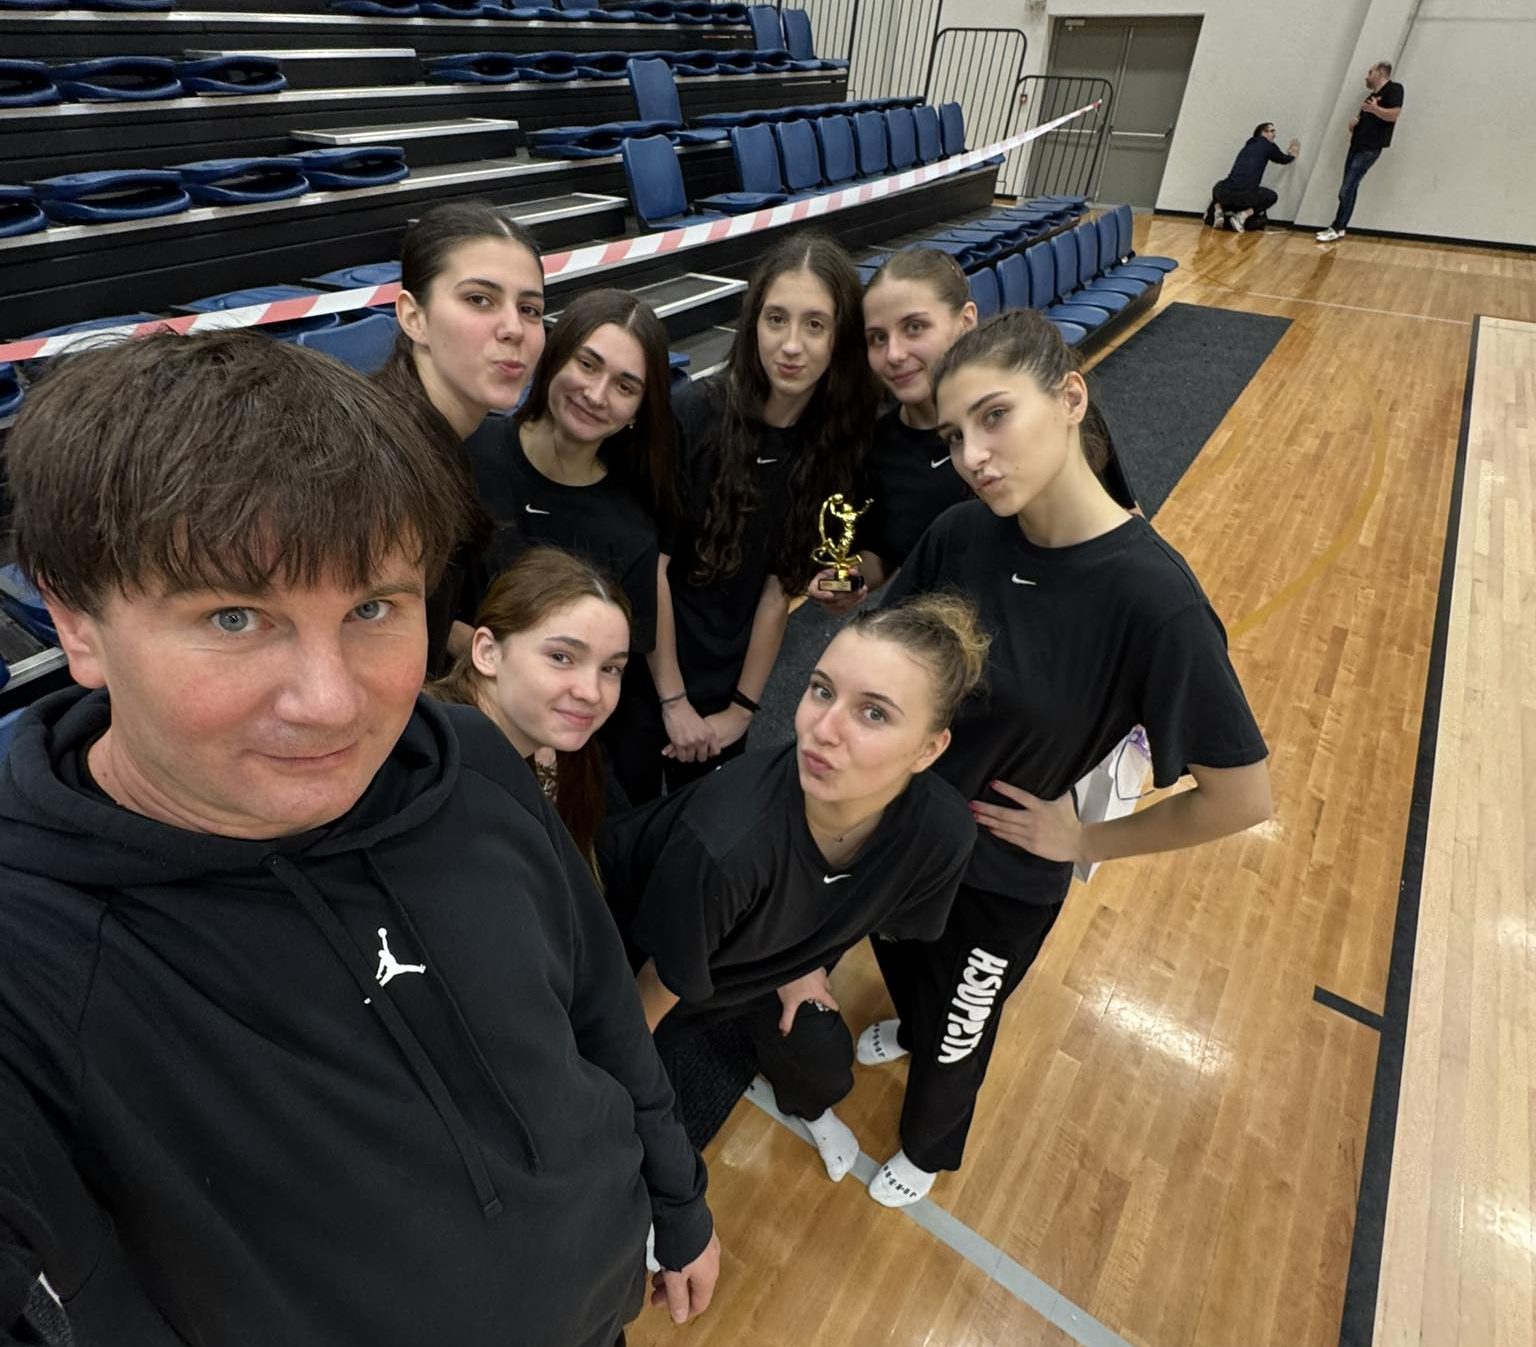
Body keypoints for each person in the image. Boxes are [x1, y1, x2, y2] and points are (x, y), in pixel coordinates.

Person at [0, 331, 719, 1347]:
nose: (333, 703)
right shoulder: (27, 967)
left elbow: (599, 1006)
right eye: (236, 617)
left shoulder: (470, 759)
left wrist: (678, 1201)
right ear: (76, 622)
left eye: (374, 606)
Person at [861, 309, 1272, 1208]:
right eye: (954, 435)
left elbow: (1242, 796)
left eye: (994, 417)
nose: (973, 455)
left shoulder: (1155, 601)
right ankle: (914, 1026)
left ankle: (928, 1147)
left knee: (960, 1036)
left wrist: (1084, 839)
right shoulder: (962, 533)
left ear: (1071, 397)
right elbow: (883, 647)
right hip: (906, 840)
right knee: (907, 968)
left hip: (1005, 877)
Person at [597, 596, 986, 1184]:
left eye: (872, 713)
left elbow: (867, 913)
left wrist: (801, 964)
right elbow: (651, 993)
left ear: (930, 748)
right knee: (634, 1104)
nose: (821, 731)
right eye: (821, 691)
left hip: (763, 956)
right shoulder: (726, 845)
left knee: (824, 1063)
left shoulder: (943, 834)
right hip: (646, 948)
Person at [631, 233, 879, 801]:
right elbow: (652, 570)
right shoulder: (696, 413)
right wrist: (673, 701)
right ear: (753, 324)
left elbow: (776, 591)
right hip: (647, 671)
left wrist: (742, 710)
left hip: (728, 682)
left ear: (839, 337)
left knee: (703, 825)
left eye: (815, 325)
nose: (791, 345)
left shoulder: (834, 446)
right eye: (776, 319)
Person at [810, 248, 1139, 616]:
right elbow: (885, 554)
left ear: (966, 320)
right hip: (934, 639)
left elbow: (1124, 517)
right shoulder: (876, 446)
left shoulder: (1048, 416)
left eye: (914, 327)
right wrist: (845, 582)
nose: (894, 354)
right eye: (877, 338)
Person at [463, 288, 676, 805]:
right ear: (555, 356)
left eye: (624, 385)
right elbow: (426, 602)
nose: (596, 395)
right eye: (587, 363)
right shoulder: (466, 453)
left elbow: (614, 665)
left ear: (638, 410)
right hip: (452, 716)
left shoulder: (630, 527)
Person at [375, 200, 548, 675]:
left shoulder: (445, 437)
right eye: (479, 299)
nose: (513, 329)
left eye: (530, 309)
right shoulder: (382, 467)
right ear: (414, 317)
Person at [428, 545, 633, 872]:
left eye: (611, 668)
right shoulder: (430, 761)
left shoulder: (561, 752)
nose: (591, 693)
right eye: (561, 657)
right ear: (487, 652)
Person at [1316, 61, 1404, 243]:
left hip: (1369, 149)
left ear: (1380, 73)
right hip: (1356, 145)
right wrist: (1353, 126)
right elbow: (1365, 120)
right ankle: (1341, 227)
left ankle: (1337, 226)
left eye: (1370, 72)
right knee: (1351, 187)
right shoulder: (1370, 97)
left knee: (1346, 189)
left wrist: (1375, 109)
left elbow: (1394, 115)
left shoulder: (1394, 89)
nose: (1366, 76)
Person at [1205, 122, 1299, 233]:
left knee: (1218, 186)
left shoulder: (1248, 145)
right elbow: (1283, 159)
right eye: (1272, 131)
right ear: (1263, 133)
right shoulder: (1267, 145)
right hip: (1246, 196)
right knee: (1272, 196)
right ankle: (1241, 216)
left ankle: (1218, 211)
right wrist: (1292, 155)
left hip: (1227, 193)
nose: (1275, 135)